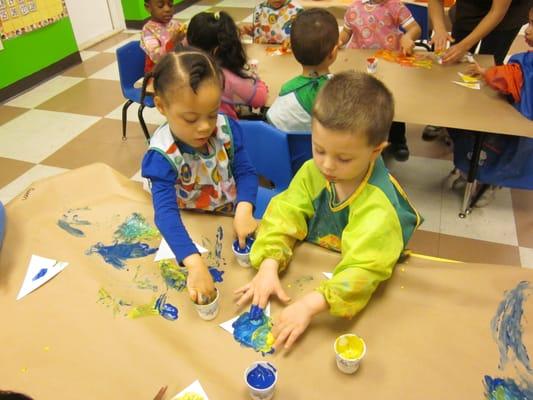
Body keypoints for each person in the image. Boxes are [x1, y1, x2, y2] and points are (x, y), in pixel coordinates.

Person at [235, 71, 421, 350]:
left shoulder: (378, 206)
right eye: (319, 149)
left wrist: (312, 304)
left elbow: (363, 269)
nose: (327, 166)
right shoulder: (314, 171)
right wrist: (270, 263)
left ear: (375, 151)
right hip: (316, 261)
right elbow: (286, 213)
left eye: (343, 158)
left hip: (353, 275)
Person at [141, 49, 258, 305]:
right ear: (161, 106)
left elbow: (246, 172)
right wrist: (193, 263)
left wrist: (244, 208)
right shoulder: (162, 157)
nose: (205, 127)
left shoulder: (227, 130)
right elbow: (166, 215)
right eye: (191, 118)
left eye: (212, 114)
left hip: (229, 218)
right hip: (189, 226)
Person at [446, 6, 533, 206]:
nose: (527, 31)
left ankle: (486, 184)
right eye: (529, 23)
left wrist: (485, 72)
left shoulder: (527, 63)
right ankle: (475, 177)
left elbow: (511, 77)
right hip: (519, 123)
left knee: (491, 150)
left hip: (517, 127)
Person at [423, 0, 532, 140]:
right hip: (469, 9)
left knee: (489, 67)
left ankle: (475, 125)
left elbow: (497, 12)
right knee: (452, 64)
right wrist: (439, 29)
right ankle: (445, 117)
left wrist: (464, 46)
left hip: (507, 15)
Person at [339, 0, 422, 161]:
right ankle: (370, 140)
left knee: (393, 99)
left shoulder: (395, 6)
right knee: (364, 102)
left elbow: (415, 28)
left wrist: (408, 36)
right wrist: (340, 40)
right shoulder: (354, 8)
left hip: (389, 62)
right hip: (362, 63)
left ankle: (398, 140)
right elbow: (346, 32)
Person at [266, 8, 338, 132]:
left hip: (287, 150)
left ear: (292, 51)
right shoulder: (341, 92)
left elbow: (273, 126)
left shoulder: (287, 90)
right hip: (327, 150)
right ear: (333, 52)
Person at [187, 11, 268, 120]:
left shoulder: (181, 66)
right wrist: (259, 82)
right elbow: (259, 99)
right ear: (217, 49)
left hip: (192, 129)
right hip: (225, 131)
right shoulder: (224, 76)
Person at [140, 0, 186, 73]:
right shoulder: (148, 30)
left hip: (176, 67)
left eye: (170, 5)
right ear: (148, 7)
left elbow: (185, 46)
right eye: (160, 6)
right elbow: (156, 56)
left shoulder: (176, 24)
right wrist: (173, 42)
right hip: (157, 73)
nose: (167, 9)